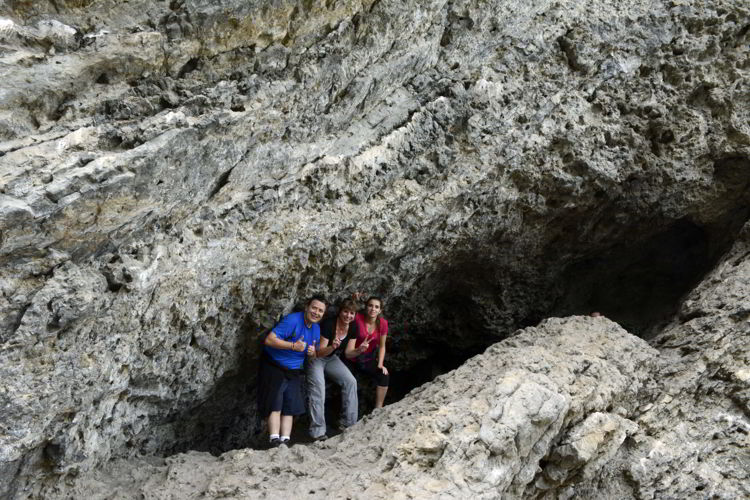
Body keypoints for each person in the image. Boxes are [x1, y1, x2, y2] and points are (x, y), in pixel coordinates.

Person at [258, 295, 326, 447]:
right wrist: (293, 346)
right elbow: (269, 340)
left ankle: (285, 440)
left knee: (291, 404)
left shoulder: (315, 329)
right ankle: (274, 439)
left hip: (294, 370)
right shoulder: (293, 320)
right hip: (274, 364)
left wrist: (311, 353)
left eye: (320, 311)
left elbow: (313, 354)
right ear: (307, 307)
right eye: (314, 308)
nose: (316, 312)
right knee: (275, 401)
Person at [306, 298, 359, 440]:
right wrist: (333, 347)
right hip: (317, 358)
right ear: (340, 312)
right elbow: (319, 352)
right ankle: (318, 432)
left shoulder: (353, 327)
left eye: (352, 313)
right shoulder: (329, 324)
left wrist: (360, 350)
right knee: (318, 389)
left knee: (351, 381)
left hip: (331, 358)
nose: (348, 316)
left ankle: (349, 423)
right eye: (345, 312)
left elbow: (348, 353)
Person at [345, 295, 390, 408]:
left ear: (380, 310)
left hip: (367, 359)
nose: (373, 309)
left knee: (384, 375)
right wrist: (353, 298)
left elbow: (382, 346)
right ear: (365, 307)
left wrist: (380, 364)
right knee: (349, 384)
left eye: (376, 307)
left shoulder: (383, 323)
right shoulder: (357, 318)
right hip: (352, 357)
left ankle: (378, 409)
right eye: (370, 305)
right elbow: (346, 312)